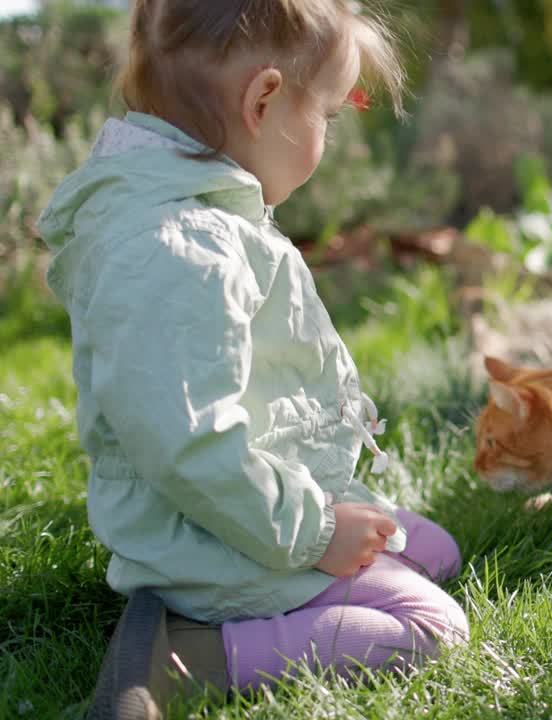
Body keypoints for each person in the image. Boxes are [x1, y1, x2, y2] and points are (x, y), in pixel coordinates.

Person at [35, 2, 469, 717]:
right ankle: (191, 656)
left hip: (248, 506)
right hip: (209, 539)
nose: (329, 133)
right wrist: (319, 534)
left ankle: (194, 617)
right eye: (329, 113)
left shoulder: (196, 209)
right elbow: (191, 446)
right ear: (263, 100)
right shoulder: (174, 248)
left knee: (437, 551)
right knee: (432, 628)